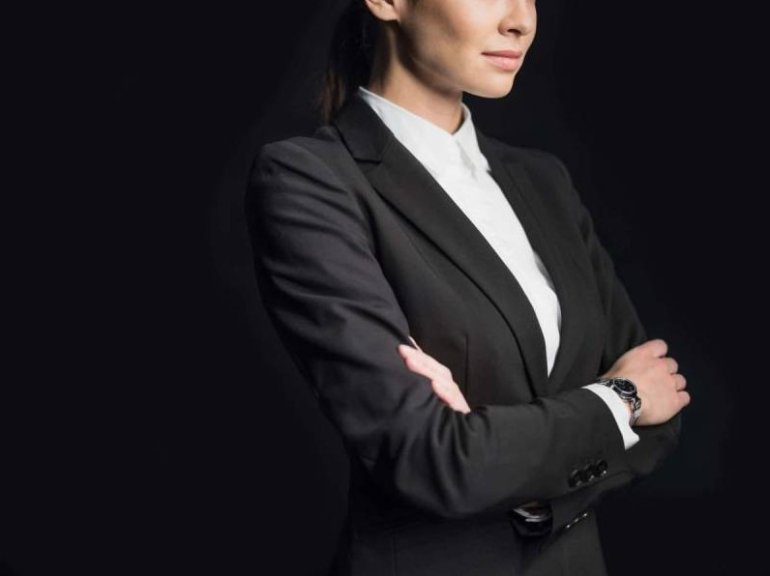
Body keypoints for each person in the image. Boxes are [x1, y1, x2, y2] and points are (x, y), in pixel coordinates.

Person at [244, 0, 691, 574]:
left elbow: (664, 408)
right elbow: (431, 459)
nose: (520, 20)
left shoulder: (543, 180)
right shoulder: (310, 180)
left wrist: (532, 495)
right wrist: (621, 399)